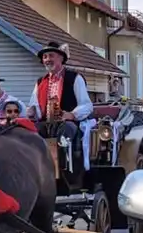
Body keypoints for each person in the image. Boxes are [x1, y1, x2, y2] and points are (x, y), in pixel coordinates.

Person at [26, 42, 93, 171]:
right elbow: (35, 106)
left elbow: (87, 105)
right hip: (46, 122)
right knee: (32, 132)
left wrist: (71, 114)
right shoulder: (40, 82)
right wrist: (32, 111)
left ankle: (63, 168)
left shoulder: (74, 78)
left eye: (51, 56)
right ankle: (35, 168)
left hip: (68, 122)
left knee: (66, 130)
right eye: (45, 57)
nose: (47, 60)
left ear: (61, 58)